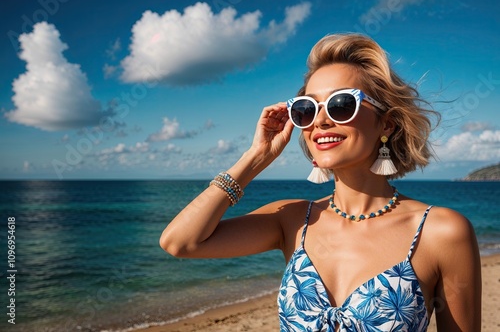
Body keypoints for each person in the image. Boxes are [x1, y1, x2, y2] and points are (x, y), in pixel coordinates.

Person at [159, 33, 481, 331]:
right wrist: (256, 158)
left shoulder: (440, 232)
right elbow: (181, 242)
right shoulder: (293, 220)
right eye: (307, 109)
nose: (322, 120)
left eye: (342, 104)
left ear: (387, 122)